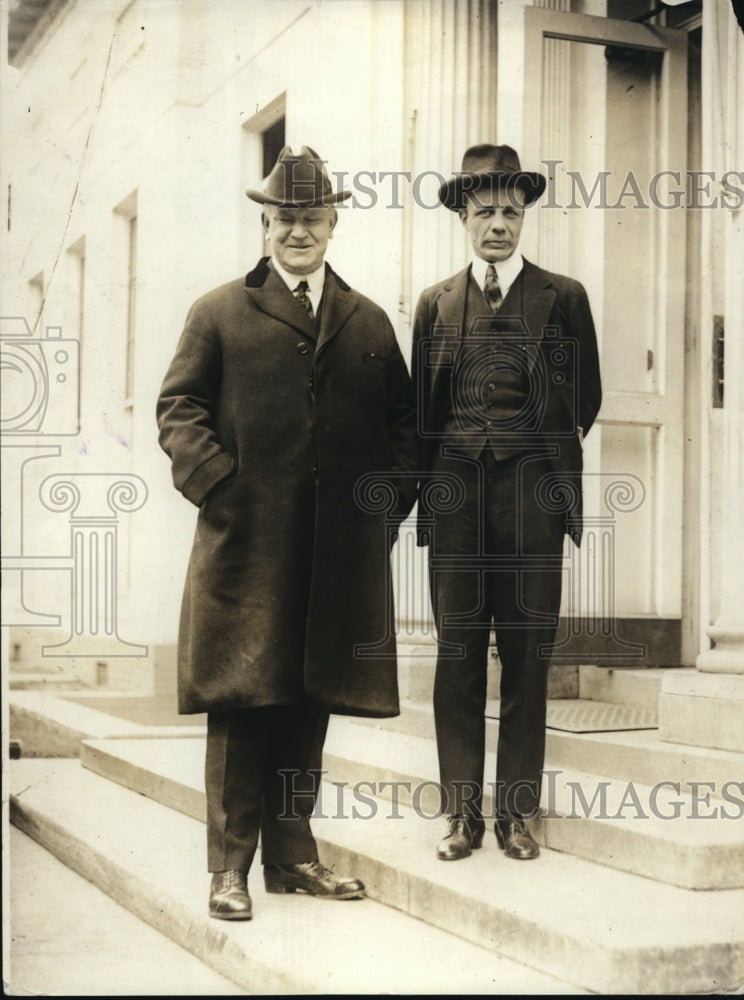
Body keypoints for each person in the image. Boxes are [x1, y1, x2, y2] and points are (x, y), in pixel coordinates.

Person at [157, 145, 418, 918]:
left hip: (335, 557)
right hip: (247, 549)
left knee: (311, 701)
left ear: (333, 224)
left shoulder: (368, 322)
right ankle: (229, 868)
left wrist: (381, 511)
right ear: (265, 225)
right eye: (285, 218)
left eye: (312, 218)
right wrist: (220, 488)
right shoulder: (218, 312)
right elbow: (179, 410)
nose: (298, 231)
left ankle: (293, 858)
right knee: (243, 700)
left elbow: (404, 431)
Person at [412, 144, 602, 862]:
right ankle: (461, 816)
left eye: (511, 212)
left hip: (533, 498)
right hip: (456, 497)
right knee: (458, 653)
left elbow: (586, 395)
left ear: (524, 217)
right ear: (463, 217)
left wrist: (536, 454)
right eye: (485, 211)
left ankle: (516, 817)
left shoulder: (564, 296)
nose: (498, 224)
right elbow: (422, 407)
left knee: (526, 656)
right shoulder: (435, 303)